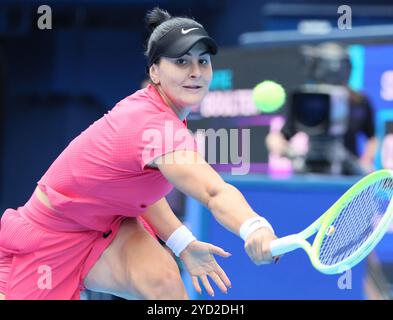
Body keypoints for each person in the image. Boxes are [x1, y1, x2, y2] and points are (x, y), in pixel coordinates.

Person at [0, 8, 278, 300]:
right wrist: (253, 227)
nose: (195, 72)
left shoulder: (163, 115)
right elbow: (213, 192)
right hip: (48, 239)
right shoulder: (155, 127)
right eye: (181, 61)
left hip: (110, 227)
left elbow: (136, 191)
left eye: (203, 61)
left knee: (164, 284)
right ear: (154, 72)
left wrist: (182, 243)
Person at [266, 42, 377, 175]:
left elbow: (372, 137)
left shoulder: (359, 101)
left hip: (348, 173)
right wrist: (291, 154)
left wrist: (365, 162)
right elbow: (278, 137)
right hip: (312, 171)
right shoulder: (307, 100)